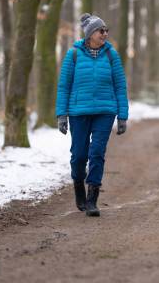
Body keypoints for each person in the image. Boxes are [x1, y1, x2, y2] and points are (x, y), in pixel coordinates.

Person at [55, 13, 129, 217]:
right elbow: (63, 87)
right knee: (79, 155)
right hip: (79, 112)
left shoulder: (111, 55)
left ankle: (92, 199)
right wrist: (62, 115)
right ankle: (78, 183)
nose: (105, 34)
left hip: (105, 112)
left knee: (97, 153)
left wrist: (122, 116)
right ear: (89, 34)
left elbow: (120, 86)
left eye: (106, 30)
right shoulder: (74, 55)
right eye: (101, 30)